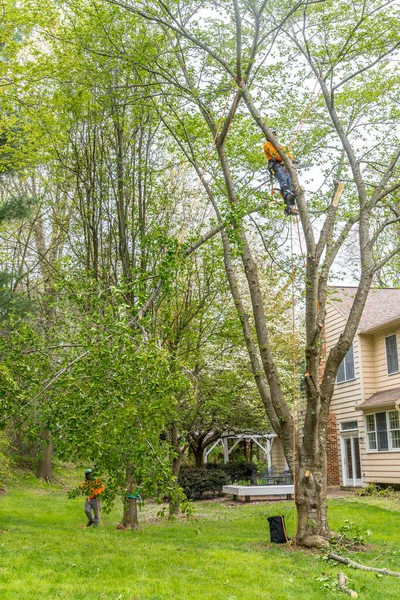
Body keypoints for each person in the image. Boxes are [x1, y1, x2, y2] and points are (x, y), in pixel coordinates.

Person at [263, 131, 298, 216]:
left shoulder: (280, 146)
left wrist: (291, 160)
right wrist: (284, 159)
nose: (273, 136)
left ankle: (289, 208)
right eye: (272, 135)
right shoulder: (267, 145)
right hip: (275, 166)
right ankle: (287, 195)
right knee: (283, 180)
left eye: (274, 135)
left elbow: (287, 154)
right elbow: (276, 156)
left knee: (289, 184)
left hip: (283, 166)